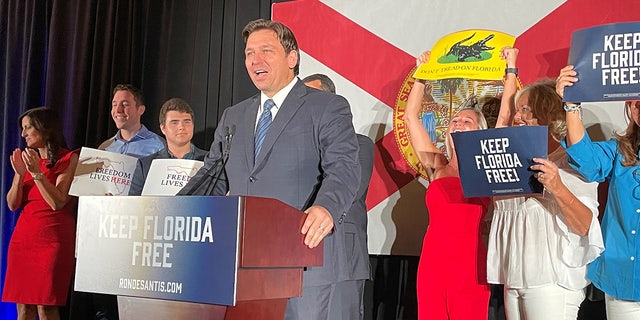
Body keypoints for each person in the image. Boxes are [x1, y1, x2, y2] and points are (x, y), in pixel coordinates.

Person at [178, 19, 360, 320]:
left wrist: (327, 207)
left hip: (303, 259)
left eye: (266, 50)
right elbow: (211, 175)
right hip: (244, 266)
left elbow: (344, 166)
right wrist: (166, 210)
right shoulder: (234, 115)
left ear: (292, 58)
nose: (255, 60)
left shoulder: (327, 106)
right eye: (249, 53)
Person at [486, 47, 604, 320]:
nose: (517, 117)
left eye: (525, 110)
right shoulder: (513, 161)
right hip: (514, 277)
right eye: (517, 110)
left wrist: (557, 186)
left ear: (547, 113)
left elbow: (585, 225)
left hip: (552, 281)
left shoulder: (573, 160)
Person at [403, 51, 491, 319]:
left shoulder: (489, 167)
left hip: (470, 265)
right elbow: (410, 118)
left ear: (481, 132)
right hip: (433, 263)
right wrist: (422, 74)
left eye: (467, 121)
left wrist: (511, 71)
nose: (458, 123)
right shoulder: (437, 165)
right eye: (454, 120)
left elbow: (505, 120)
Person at [557, 65, 640, 320]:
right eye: (637, 104)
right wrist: (571, 105)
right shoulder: (619, 150)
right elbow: (587, 162)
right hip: (623, 276)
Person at [302, 73, 375, 320]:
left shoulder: (359, 143)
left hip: (344, 256)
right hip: (302, 253)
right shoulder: (297, 147)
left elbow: (350, 189)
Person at [3, 107, 79, 320]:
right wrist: (19, 175)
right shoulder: (29, 162)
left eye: (28, 127)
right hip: (23, 241)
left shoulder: (69, 158)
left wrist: (36, 172)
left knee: (46, 307)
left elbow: (58, 201)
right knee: (23, 308)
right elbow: (12, 204)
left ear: (45, 129)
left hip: (52, 242)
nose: (23, 134)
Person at [128, 98, 207, 196]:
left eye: (187, 121)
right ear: (163, 128)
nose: (181, 127)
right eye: (174, 122)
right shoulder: (145, 166)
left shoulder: (210, 162)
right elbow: (132, 206)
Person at [98, 84, 165, 157]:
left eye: (125, 104)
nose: (118, 110)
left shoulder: (160, 147)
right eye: (115, 105)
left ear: (141, 110)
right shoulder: (104, 148)